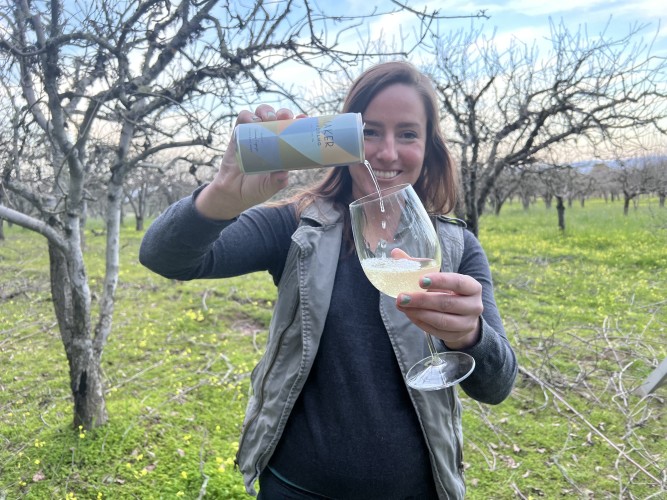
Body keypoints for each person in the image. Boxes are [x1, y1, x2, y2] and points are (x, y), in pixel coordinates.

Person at [139, 60, 517, 499]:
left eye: (408, 134)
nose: (388, 153)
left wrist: (470, 335)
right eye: (370, 131)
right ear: (342, 140)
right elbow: (164, 257)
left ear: (429, 146)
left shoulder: (455, 246)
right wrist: (221, 196)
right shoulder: (296, 225)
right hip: (294, 488)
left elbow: (497, 385)